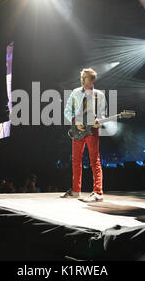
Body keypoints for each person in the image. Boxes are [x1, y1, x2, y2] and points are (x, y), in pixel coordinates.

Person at [61, 68, 107, 202]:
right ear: (83, 79)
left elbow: (102, 114)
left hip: (92, 130)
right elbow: (67, 111)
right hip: (78, 130)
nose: (91, 82)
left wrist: (100, 121)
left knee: (94, 160)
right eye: (89, 79)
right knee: (76, 160)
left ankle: (98, 192)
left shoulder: (100, 95)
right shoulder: (75, 93)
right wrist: (75, 122)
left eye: (93, 80)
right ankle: (76, 190)